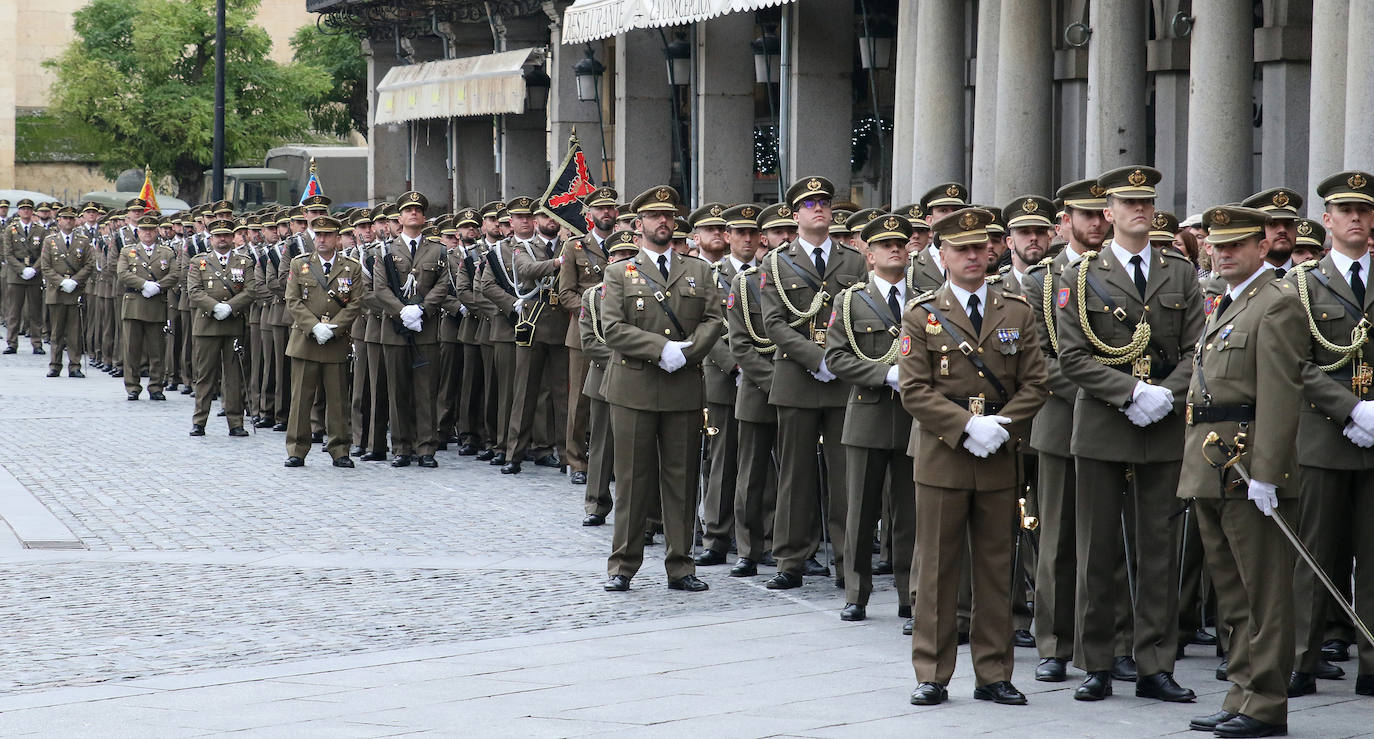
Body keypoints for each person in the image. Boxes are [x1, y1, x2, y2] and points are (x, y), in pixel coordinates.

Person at [1056, 165, 1203, 703]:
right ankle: (1096, 660)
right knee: (1097, 548)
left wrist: (1166, 393)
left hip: (1162, 423)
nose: (1139, 209)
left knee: (1158, 550)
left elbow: (1197, 349)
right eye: (1127, 203)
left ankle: (1154, 663)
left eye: (1146, 201)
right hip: (1101, 424)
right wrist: (1130, 392)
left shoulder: (1181, 272)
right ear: (1108, 213)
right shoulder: (1078, 276)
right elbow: (1070, 356)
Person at [900, 207, 1048, 707]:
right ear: (941, 254)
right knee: (938, 570)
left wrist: (1000, 428)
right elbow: (915, 391)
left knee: (994, 566)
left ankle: (993, 672)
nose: (972, 256)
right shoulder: (922, 313)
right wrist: (966, 426)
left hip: (999, 452)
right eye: (961, 249)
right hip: (943, 455)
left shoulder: (1017, 309)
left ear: (992, 250)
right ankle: (932, 671)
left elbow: (1036, 383)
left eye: (979, 248)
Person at [1178, 205, 1305, 738]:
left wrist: (1267, 473)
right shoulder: (1228, 301)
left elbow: (1280, 395)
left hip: (1248, 467)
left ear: (1260, 246)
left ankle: (1266, 702)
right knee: (1232, 593)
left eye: (1236, 244)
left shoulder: (1275, 305)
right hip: (1212, 465)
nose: (1224, 252)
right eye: (1217, 244)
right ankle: (1241, 691)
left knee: (1264, 593)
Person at [601, 185, 724, 593]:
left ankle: (681, 565)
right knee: (634, 480)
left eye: (669, 216)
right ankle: (623, 564)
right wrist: (661, 349)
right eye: (655, 216)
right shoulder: (619, 272)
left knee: (681, 478)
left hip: (682, 386)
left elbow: (713, 320)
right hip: (634, 386)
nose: (663, 222)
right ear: (638, 226)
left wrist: (687, 354)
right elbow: (613, 328)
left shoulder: (699, 270)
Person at [1286, 170, 1374, 701]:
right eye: (1346, 211)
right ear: (1327, 221)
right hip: (1324, 434)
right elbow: (1297, 364)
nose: (1357, 219)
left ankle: (1371, 659)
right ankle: (1302, 658)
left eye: (1364, 211)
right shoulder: (1303, 283)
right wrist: (1351, 412)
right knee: (1313, 554)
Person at [759, 176, 866, 590]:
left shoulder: (854, 261)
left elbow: (861, 316)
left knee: (844, 476)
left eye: (824, 202)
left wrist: (836, 360)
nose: (819, 209)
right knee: (795, 473)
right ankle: (791, 559)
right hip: (797, 376)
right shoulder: (776, 262)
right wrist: (815, 358)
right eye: (809, 204)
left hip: (842, 381)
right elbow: (773, 324)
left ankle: (846, 561)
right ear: (795, 214)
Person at [827, 214, 916, 626]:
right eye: (885, 245)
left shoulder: (925, 298)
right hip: (869, 413)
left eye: (900, 243)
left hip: (916, 417)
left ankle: (909, 593)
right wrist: (885, 374)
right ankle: (856, 592)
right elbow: (837, 356)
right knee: (861, 511)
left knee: (910, 512)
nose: (894, 249)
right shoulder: (850, 301)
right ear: (869, 254)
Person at [696, 203, 761, 566]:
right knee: (722, 460)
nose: (747, 239)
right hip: (723, 377)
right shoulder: (711, 275)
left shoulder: (770, 275)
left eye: (753, 233)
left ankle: (757, 538)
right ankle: (717, 538)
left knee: (760, 463)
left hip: (762, 380)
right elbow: (705, 325)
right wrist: (735, 365)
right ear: (728, 237)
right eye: (740, 233)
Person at [371, 191, 448, 468]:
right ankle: (402, 446)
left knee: (426, 391)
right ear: (400, 218)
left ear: (424, 217)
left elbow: (443, 284)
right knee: (398, 390)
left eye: (418, 209)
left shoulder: (438, 250)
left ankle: (426, 447)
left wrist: (422, 309)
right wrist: (402, 311)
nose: (413, 213)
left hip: (426, 329)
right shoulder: (386, 251)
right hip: (395, 330)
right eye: (408, 210)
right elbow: (379, 288)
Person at [282, 215, 367, 467]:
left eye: (327, 235)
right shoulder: (300, 265)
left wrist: (335, 328)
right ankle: (296, 449)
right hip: (306, 340)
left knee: (338, 399)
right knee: (300, 400)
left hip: (335, 341)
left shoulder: (351, 267)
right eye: (318, 235)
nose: (322, 240)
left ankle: (340, 449)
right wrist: (314, 326)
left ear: (337, 239)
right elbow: (293, 300)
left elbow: (356, 303)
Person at [559, 188, 619, 486]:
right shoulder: (574, 247)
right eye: (600, 209)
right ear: (589, 215)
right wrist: (593, 312)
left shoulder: (627, 245)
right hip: (584, 333)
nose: (606, 213)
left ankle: (609, 461)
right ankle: (577, 460)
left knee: (613, 399)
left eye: (610, 208)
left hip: (620, 334)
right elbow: (565, 293)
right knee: (580, 401)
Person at [578, 230, 638, 526]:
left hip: (639, 378)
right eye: (620, 257)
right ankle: (596, 504)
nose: (626, 261)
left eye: (631, 256)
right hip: (604, 377)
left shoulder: (646, 292)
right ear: (608, 261)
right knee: (601, 445)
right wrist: (626, 362)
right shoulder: (593, 296)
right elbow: (589, 342)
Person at [186, 217, 258, 436]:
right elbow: (194, 291)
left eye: (226, 235)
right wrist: (215, 306)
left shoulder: (244, 262)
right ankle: (199, 421)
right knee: (205, 375)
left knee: (233, 376)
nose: (223, 240)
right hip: (207, 325)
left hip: (233, 325)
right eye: (218, 236)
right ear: (211, 239)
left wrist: (231, 307)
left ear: (233, 237)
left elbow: (251, 289)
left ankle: (235, 422)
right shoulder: (199, 262)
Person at [117, 215, 179, 400]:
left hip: (156, 305)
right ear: (138, 232)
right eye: (144, 230)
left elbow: (175, 273)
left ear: (157, 232)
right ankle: (132, 386)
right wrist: (143, 285)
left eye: (151, 230)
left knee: (157, 350)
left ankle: (156, 386)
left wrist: (159, 286)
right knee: (132, 350)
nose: (148, 234)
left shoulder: (166, 253)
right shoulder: (128, 251)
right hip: (134, 304)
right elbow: (122, 273)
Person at [38, 206, 94, 377]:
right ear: (59, 220)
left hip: (75, 291)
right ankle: (55, 364)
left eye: (71, 218)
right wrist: (61, 281)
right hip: (57, 291)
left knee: (75, 331)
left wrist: (75, 281)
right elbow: (45, 266)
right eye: (65, 218)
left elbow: (90, 264)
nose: (68, 221)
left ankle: (75, 365)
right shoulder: (50, 241)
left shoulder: (83, 241)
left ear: (76, 221)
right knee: (57, 331)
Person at [3, 198, 48, 354]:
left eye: (29, 209)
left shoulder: (40, 230)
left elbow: (44, 253)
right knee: (14, 310)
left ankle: (37, 342)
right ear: (19, 211)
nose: (26, 211)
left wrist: (35, 269)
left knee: (35, 310)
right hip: (16, 274)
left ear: (32, 211)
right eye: (23, 209)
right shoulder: (11, 229)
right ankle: (12, 342)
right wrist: (22, 269)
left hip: (34, 273)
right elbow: (8, 254)